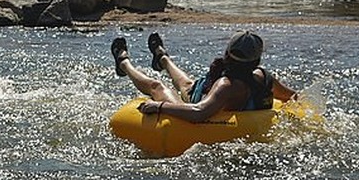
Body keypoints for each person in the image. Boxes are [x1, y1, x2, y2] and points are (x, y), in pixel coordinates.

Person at [110, 31, 297, 122]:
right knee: (187, 84)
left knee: (158, 87)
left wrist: (159, 106)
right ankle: (162, 58)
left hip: (201, 99)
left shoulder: (226, 85)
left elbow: (199, 113)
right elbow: (292, 97)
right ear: (256, 59)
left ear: (227, 52)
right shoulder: (264, 77)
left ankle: (124, 63)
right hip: (207, 92)